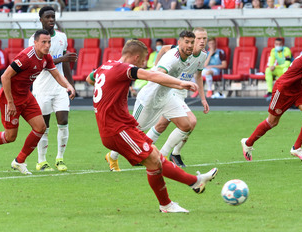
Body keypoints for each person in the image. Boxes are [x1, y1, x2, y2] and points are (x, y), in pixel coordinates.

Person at [87, 39, 218, 213]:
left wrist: (111, 96)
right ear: (135, 57)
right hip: (116, 129)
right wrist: (180, 83)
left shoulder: (107, 65)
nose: (144, 64)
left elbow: (90, 79)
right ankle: (178, 195)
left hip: (123, 125)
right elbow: (152, 76)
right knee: (153, 161)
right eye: (143, 60)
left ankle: (185, 190)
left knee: (155, 156)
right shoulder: (124, 69)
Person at [0, 29, 76, 175]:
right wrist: (10, 102)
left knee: (40, 127)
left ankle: (19, 161)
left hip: (26, 97)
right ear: (35, 43)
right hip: (10, 99)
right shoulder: (26, 57)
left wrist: (68, 86)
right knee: (10, 137)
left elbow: (57, 75)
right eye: (44, 42)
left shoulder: (46, 57)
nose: (47, 45)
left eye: (49, 42)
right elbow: (5, 77)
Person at [105, 30, 209, 171]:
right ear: (179, 43)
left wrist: (182, 85)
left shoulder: (193, 56)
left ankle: (163, 156)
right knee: (133, 130)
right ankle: (112, 156)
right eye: (187, 42)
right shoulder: (173, 57)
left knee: (186, 125)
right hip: (149, 97)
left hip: (167, 97)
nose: (190, 45)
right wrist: (179, 82)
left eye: (192, 42)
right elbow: (159, 74)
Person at [241, 33, 302, 162]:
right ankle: (248, 143)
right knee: (272, 122)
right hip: (284, 89)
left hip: (299, 89)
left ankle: (296, 148)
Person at [145, 28, 209, 167]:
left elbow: (198, 76)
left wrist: (203, 99)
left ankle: (146, 153)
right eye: (199, 38)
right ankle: (165, 154)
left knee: (161, 125)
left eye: (205, 38)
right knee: (191, 121)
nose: (202, 41)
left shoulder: (203, 55)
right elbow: (162, 49)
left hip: (181, 93)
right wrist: (155, 68)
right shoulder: (181, 50)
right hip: (171, 90)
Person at [29, 6, 77, 172]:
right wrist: (63, 58)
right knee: (44, 126)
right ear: (40, 19)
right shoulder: (33, 39)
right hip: (42, 88)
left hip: (59, 87)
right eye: (47, 17)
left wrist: (70, 85)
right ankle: (41, 161)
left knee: (63, 122)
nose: (51, 19)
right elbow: (39, 63)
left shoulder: (62, 37)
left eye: (53, 16)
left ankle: (60, 159)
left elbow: (65, 63)